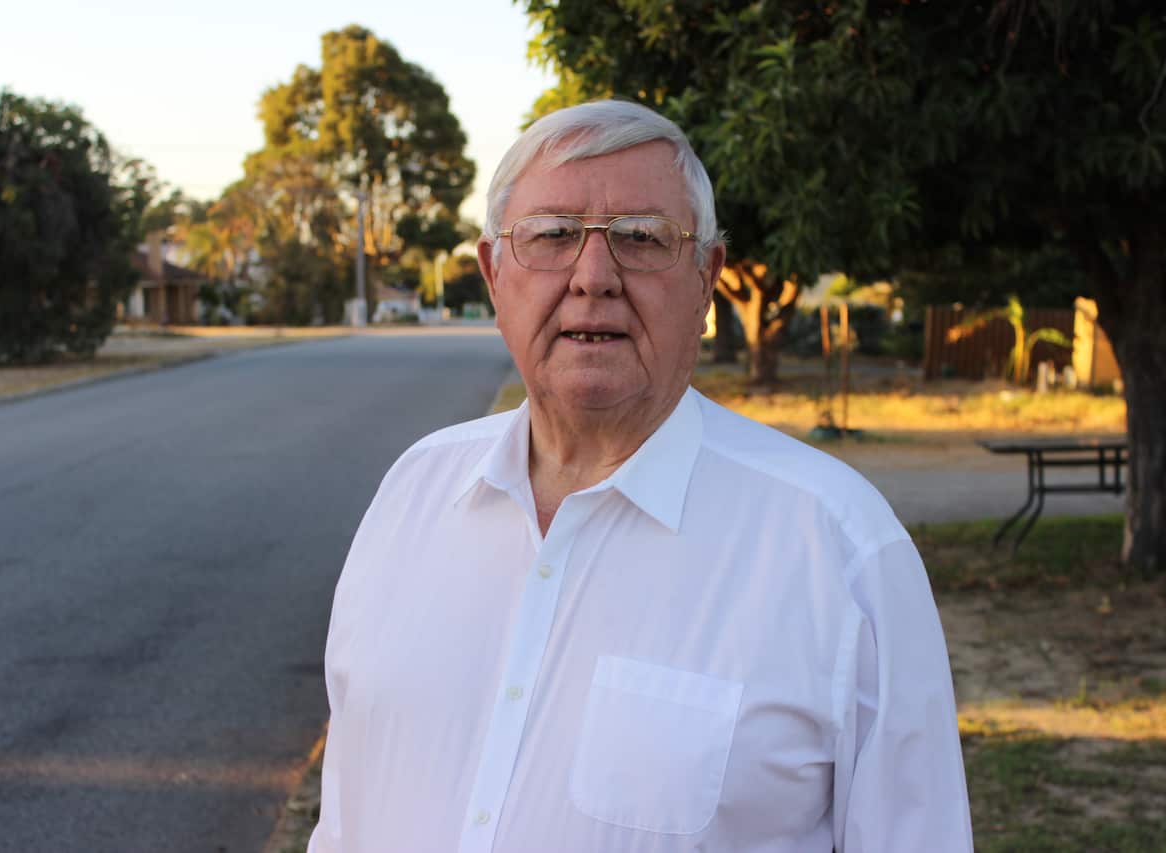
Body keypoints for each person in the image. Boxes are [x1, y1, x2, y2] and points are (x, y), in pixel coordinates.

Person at [308, 100, 973, 852]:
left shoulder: (838, 548)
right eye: (553, 236)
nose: (594, 276)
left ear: (706, 279)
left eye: (642, 239)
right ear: (494, 273)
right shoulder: (413, 494)